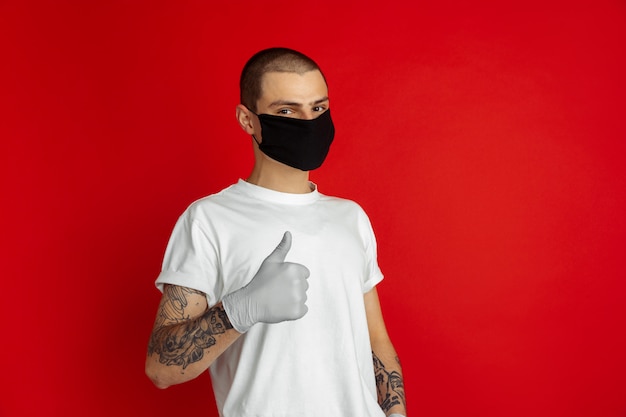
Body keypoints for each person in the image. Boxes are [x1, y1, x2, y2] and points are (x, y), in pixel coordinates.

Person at [145, 47, 407, 417]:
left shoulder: (350, 218)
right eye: (287, 111)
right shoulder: (209, 220)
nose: (308, 121)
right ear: (247, 119)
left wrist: (395, 414)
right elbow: (160, 369)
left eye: (318, 108)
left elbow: (376, 340)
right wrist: (240, 308)